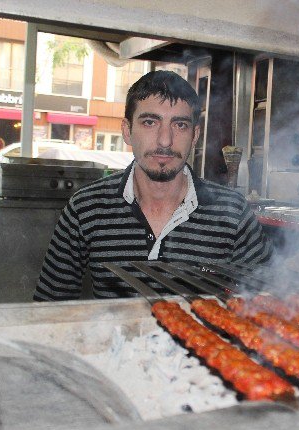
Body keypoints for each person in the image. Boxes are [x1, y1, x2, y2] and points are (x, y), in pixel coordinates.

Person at [34, 71, 272, 301]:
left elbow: (270, 303)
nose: (165, 141)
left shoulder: (232, 211)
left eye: (180, 125)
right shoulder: (86, 208)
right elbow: (49, 306)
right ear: (127, 131)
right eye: (150, 122)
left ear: (195, 135)